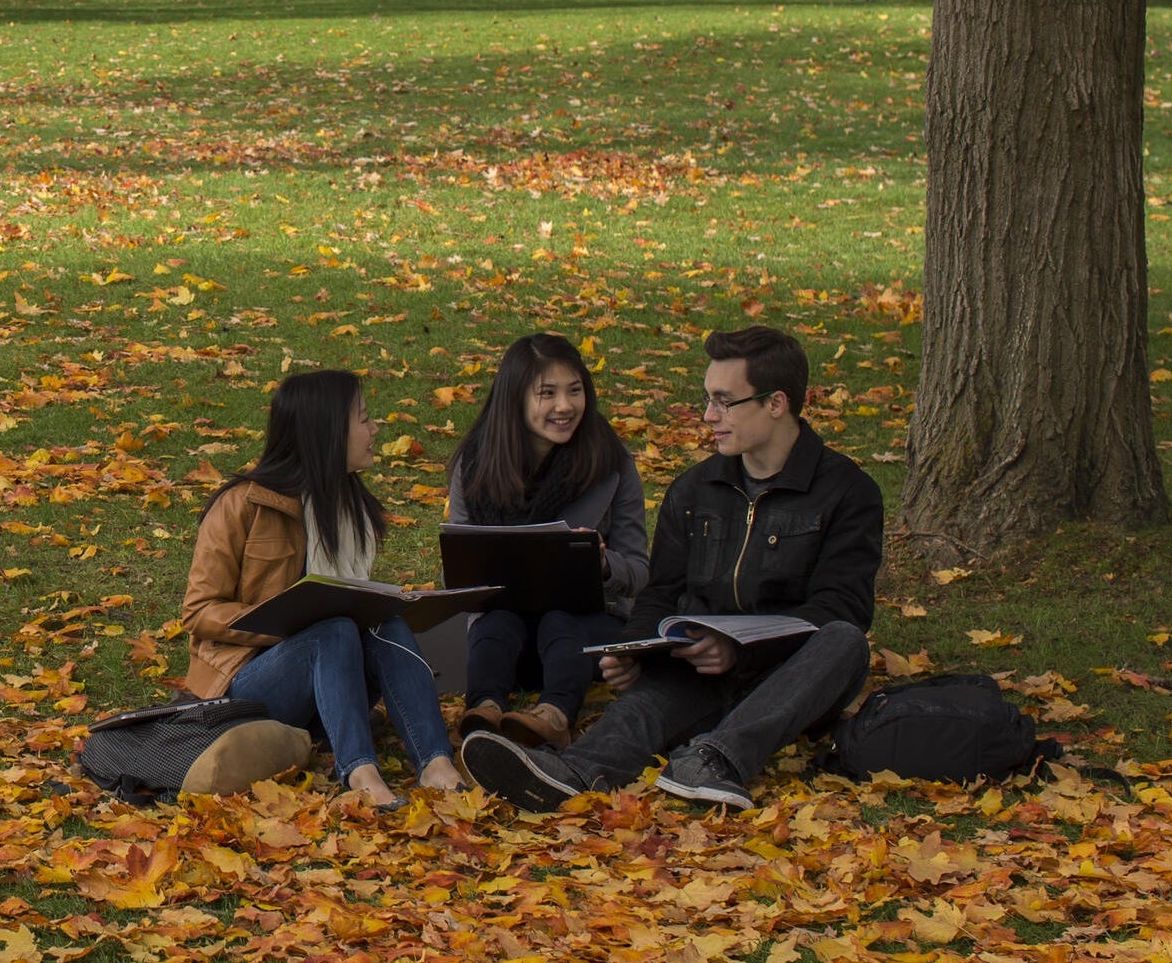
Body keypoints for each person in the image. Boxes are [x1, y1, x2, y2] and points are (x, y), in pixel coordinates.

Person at [463, 325, 881, 810]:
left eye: (724, 402)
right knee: (656, 694)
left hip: (794, 673)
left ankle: (713, 760)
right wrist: (636, 650)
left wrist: (740, 651)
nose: (708, 416)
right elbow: (661, 592)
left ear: (775, 403)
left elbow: (840, 606)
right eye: (708, 400)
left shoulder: (848, 492)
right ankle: (571, 771)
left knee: (845, 641)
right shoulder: (693, 490)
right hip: (701, 668)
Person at [182, 369, 464, 807]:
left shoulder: (353, 508)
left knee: (384, 621)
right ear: (326, 431)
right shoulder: (242, 504)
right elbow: (199, 611)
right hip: (253, 682)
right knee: (330, 630)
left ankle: (436, 763)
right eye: (365, 419)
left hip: (335, 677)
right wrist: (285, 623)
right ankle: (359, 772)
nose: (375, 430)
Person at [444, 332, 650, 749]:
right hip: (504, 639)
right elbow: (462, 578)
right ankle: (483, 709)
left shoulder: (611, 461)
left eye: (575, 391)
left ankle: (554, 716)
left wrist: (606, 566)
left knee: (561, 617)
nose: (565, 406)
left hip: (585, 633)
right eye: (548, 393)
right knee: (497, 621)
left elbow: (641, 571)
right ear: (515, 399)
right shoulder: (476, 465)